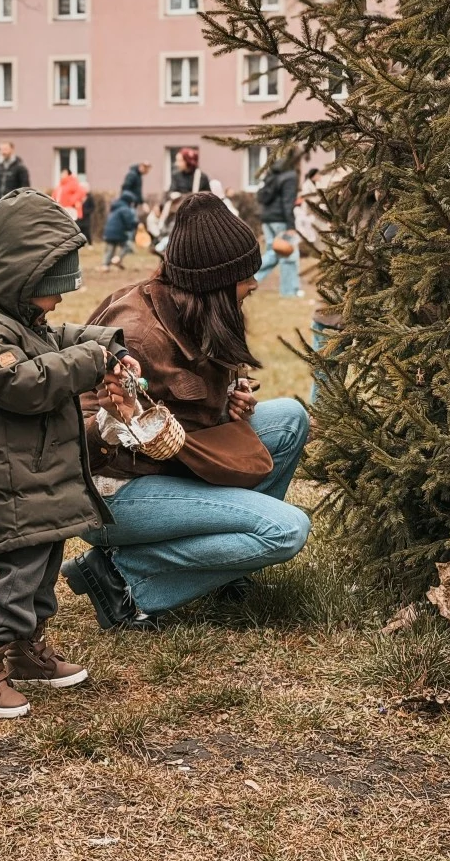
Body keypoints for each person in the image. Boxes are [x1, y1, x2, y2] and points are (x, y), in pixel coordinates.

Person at [61, 191, 311, 630]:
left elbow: (188, 407)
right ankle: (122, 578)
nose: (253, 284)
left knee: (290, 418)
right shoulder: (137, 334)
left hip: (169, 466)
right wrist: (118, 425)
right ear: (215, 283)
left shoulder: (194, 309)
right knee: (285, 530)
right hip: (112, 493)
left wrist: (232, 398)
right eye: (245, 277)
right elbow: (73, 435)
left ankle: (223, 569)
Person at [0, 188, 137, 719]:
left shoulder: (20, 320)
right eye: (49, 292)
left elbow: (60, 336)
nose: (56, 304)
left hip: (37, 480)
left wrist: (110, 346)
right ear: (19, 280)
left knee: (45, 564)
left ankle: (27, 649)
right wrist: (88, 361)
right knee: (19, 577)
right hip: (10, 485)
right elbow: (24, 381)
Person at [255, 152, 303, 297]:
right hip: (281, 220)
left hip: (267, 219)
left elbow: (261, 197)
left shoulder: (272, 174)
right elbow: (288, 203)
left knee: (273, 253)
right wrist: (290, 226)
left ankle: (249, 279)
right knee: (288, 255)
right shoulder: (290, 176)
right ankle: (289, 291)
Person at [102, 190, 137, 272]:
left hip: (108, 232)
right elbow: (128, 222)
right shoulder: (125, 209)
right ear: (129, 201)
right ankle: (117, 259)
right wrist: (132, 226)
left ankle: (105, 265)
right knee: (127, 246)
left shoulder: (115, 207)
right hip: (118, 232)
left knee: (110, 249)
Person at [0, 141, 30, 208]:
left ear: (12, 149)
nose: (3, 152)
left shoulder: (20, 168)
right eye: (1, 150)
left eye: (5, 149)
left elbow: (25, 189)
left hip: (14, 206)